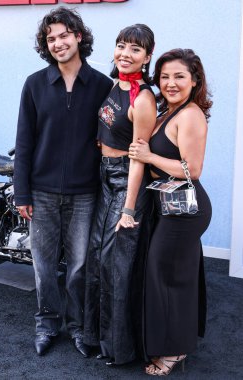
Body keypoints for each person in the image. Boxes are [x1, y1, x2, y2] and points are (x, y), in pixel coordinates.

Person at [13, 6, 113, 357]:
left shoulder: (102, 85)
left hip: (85, 194)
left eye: (63, 35)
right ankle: (46, 324)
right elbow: (24, 143)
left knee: (80, 266)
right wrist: (21, 192)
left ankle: (78, 327)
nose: (57, 43)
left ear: (78, 36)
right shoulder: (35, 85)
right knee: (42, 266)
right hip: (40, 193)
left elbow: (111, 139)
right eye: (50, 39)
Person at [129, 48, 212, 376]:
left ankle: (174, 351)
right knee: (176, 275)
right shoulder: (168, 112)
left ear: (194, 80)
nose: (170, 83)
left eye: (179, 76)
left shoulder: (190, 114)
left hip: (186, 210)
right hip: (169, 205)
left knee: (165, 275)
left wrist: (149, 158)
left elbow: (192, 168)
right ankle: (176, 341)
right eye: (164, 76)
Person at [84, 24, 156, 365]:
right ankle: (96, 337)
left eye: (135, 49)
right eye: (121, 45)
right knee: (98, 258)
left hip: (128, 183)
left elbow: (139, 160)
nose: (125, 53)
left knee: (117, 264)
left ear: (147, 56)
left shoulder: (142, 99)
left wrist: (128, 209)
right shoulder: (115, 85)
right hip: (106, 177)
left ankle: (119, 349)